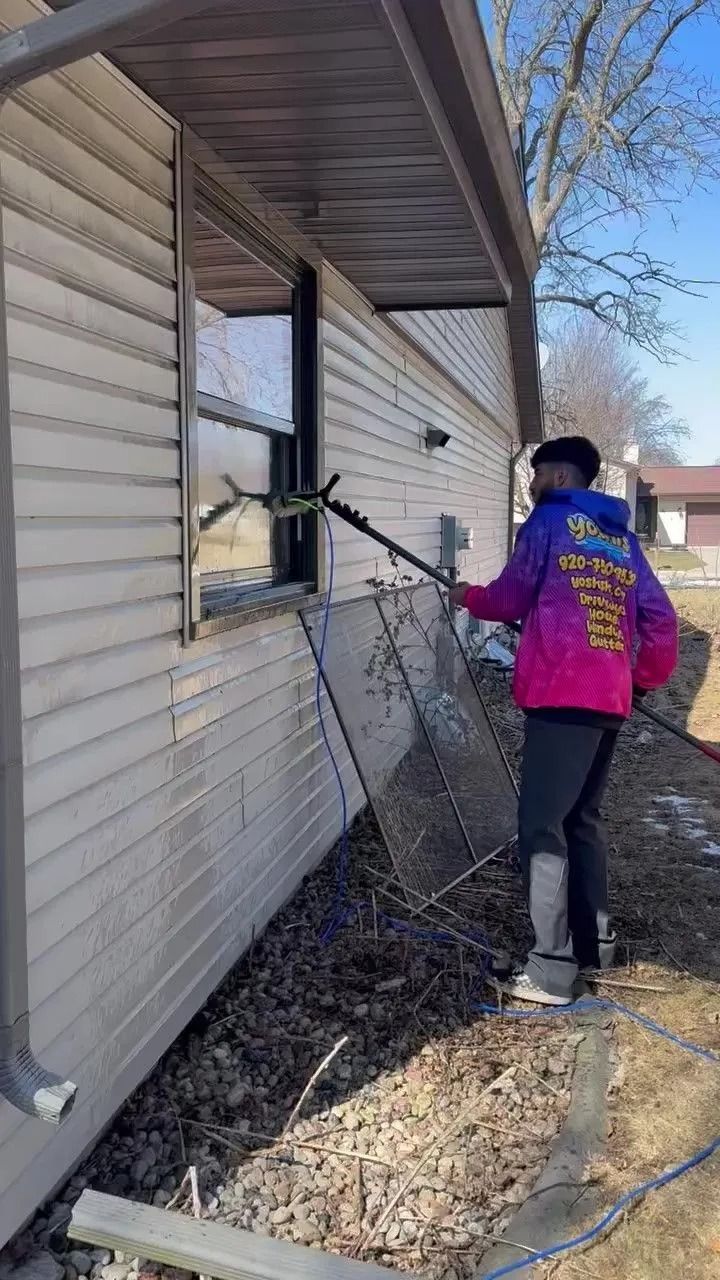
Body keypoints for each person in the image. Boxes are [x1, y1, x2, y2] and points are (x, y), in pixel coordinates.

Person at [449, 436, 678, 1006]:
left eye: (536, 475)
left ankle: (552, 971)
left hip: (560, 697)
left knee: (541, 830)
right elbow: (661, 620)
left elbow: (508, 598)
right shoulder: (619, 538)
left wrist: (466, 595)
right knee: (582, 821)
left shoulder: (548, 524)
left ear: (556, 477)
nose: (531, 485)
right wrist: (641, 679)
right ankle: (593, 946)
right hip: (607, 700)